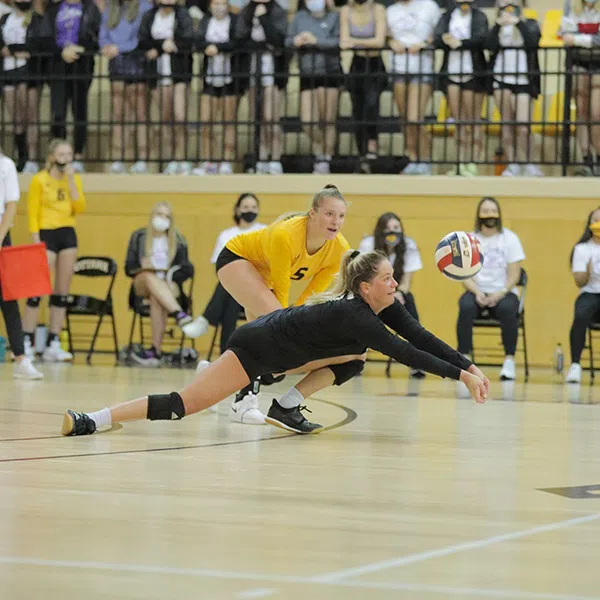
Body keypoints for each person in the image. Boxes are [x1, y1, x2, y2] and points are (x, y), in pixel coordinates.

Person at [61, 249, 490, 438]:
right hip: (257, 347)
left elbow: (419, 336)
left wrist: (468, 368)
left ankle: (283, 405)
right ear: (364, 288)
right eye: (387, 279)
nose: (395, 284)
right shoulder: (354, 315)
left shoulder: (381, 305)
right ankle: (91, 419)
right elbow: (405, 353)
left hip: (288, 354)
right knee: (182, 405)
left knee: (355, 358)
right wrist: (459, 378)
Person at [216, 184, 350, 424]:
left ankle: (215, 375)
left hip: (261, 277)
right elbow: (281, 294)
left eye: (341, 216)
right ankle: (243, 402)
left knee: (277, 335)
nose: (336, 221)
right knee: (273, 329)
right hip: (237, 259)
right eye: (329, 214)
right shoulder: (285, 235)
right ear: (312, 213)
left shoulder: (340, 249)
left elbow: (309, 299)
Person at [21, 139, 85, 363]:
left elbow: (80, 207)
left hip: (67, 233)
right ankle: (26, 341)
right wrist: (36, 240)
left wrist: (72, 182)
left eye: (69, 154)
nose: (66, 159)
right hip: (46, 234)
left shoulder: (73, 179)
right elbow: (32, 213)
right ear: (51, 157)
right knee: (36, 289)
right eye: (61, 154)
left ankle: (53, 341)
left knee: (61, 291)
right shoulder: (40, 180)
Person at [124, 201, 206, 366]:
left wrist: (171, 277)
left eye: (166, 216)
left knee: (157, 298)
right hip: (142, 283)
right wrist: (143, 267)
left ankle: (155, 350)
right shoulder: (139, 236)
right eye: (159, 215)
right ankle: (179, 314)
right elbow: (128, 267)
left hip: (168, 286)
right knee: (148, 275)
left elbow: (187, 269)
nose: (162, 219)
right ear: (152, 216)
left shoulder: (178, 240)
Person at [456, 196, 525, 380]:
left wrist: (499, 293)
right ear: (479, 215)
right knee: (465, 306)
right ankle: (465, 360)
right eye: (485, 211)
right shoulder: (469, 240)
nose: (490, 214)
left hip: (503, 292)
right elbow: (465, 275)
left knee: (509, 308)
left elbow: (514, 274)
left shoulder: (510, 238)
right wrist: (478, 292)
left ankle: (509, 360)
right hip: (477, 291)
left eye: (493, 210)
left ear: (499, 214)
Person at [193, 193, 266, 352]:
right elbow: (218, 267)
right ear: (238, 210)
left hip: (258, 290)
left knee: (232, 287)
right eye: (246, 207)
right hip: (233, 290)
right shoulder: (226, 234)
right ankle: (229, 355)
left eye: (253, 207)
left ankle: (207, 320)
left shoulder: (264, 232)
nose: (250, 210)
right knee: (231, 295)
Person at [358, 211, 424, 375]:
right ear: (380, 231)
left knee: (410, 301)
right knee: (357, 307)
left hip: (396, 293)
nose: (392, 232)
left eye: (396, 227)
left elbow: (407, 280)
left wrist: (398, 292)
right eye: (387, 228)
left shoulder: (409, 246)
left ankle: (416, 360)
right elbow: (362, 278)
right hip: (370, 293)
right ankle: (356, 356)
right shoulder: (368, 245)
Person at [42, 0, 101, 173]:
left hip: (81, 66)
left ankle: (78, 156)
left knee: (79, 112)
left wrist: (80, 48)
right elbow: (45, 38)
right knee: (58, 113)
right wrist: (61, 50)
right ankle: (57, 157)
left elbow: (97, 37)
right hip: (58, 67)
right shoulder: (53, 9)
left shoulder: (90, 8)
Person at [0, 148, 43, 379]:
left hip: (0, 236)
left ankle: (21, 358)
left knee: (7, 297)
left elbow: (11, 206)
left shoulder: (5, 165)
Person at [138, 0, 194, 175]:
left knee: (179, 116)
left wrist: (165, 45)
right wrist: (162, 46)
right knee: (165, 117)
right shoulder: (149, 16)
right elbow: (143, 41)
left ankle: (181, 158)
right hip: (157, 72)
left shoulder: (183, 15)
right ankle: (170, 159)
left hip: (178, 71)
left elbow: (188, 39)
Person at [434, 0, 489, 177]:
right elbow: (437, 37)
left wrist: (461, 43)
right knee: (458, 120)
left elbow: (482, 40)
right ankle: (459, 161)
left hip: (473, 72)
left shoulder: (479, 16)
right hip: (452, 72)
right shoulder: (448, 15)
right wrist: (445, 39)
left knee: (473, 120)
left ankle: (473, 161)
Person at [287, 0, 342, 175]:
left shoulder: (334, 17)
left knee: (327, 120)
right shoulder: (299, 18)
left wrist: (316, 40)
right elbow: (287, 40)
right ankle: (320, 149)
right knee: (307, 121)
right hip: (307, 72)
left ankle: (325, 158)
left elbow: (339, 41)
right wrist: (296, 40)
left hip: (329, 72)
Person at [488, 0, 542, 177]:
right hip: (501, 78)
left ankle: (528, 162)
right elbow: (488, 46)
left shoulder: (530, 23)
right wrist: (498, 25)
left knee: (524, 126)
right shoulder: (498, 25)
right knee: (507, 125)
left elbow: (533, 42)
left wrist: (517, 22)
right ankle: (512, 164)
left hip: (523, 79)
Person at [386, 0, 440, 175]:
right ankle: (413, 157)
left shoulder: (429, 6)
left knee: (415, 117)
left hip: (422, 68)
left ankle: (425, 160)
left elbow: (439, 34)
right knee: (404, 119)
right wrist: (391, 42)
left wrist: (425, 43)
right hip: (399, 69)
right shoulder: (391, 10)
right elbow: (387, 35)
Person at [235, 0, 288, 175]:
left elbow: (278, 40)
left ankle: (275, 159)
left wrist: (263, 18)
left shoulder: (278, 11)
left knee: (271, 117)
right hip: (251, 70)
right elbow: (240, 40)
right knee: (257, 118)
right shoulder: (245, 12)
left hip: (272, 71)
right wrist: (261, 45)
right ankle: (262, 157)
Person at [99, 0, 152, 174]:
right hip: (116, 64)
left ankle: (143, 159)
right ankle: (118, 159)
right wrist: (107, 47)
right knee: (118, 114)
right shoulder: (110, 8)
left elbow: (142, 37)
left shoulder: (145, 7)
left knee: (140, 114)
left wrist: (119, 48)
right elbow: (102, 36)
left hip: (137, 63)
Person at [193, 0, 241, 175]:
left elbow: (237, 42)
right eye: (216, 3)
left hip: (230, 76)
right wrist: (207, 47)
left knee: (228, 122)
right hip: (210, 76)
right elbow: (197, 41)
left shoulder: (235, 20)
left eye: (222, 3)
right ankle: (208, 161)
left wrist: (218, 48)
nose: (219, 6)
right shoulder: (206, 20)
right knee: (207, 121)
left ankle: (227, 161)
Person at [339, 0, 387, 173]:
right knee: (357, 111)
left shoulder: (378, 9)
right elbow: (343, 41)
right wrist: (363, 43)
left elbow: (379, 41)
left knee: (371, 105)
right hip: (357, 64)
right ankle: (362, 156)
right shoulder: (346, 10)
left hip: (375, 65)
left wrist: (354, 42)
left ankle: (372, 148)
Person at [0, 0, 46, 173]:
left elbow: (37, 45)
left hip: (28, 72)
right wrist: (11, 51)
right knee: (16, 119)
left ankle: (33, 158)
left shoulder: (36, 19)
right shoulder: (5, 19)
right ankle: (22, 156)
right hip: (8, 71)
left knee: (30, 116)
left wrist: (11, 50)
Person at [561, 0, 600, 177]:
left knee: (596, 113)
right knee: (582, 111)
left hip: (598, 64)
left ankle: (599, 158)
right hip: (577, 62)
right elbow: (564, 33)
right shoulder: (570, 4)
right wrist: (590, 39)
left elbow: (573, 37)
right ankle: (586, 160)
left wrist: (577, 38)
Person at [566, 207, 600, 383]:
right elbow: (579, 281)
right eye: (595, 220)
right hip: (590, 293)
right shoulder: (582, 249)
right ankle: (575, 365)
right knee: (581, 314)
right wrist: (587, 271)